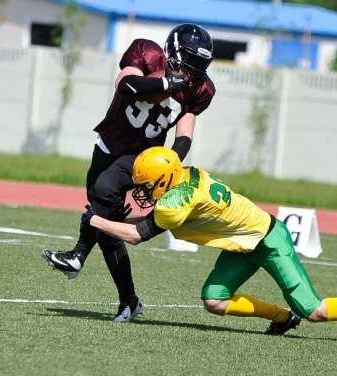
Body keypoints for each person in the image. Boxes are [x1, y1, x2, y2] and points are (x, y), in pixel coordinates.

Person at [81, 147, 337, 347]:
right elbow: (154, 217)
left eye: (146, 185)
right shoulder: (188, 175)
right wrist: (119, 218)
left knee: (315, 310)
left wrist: (96, 220)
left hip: (268, 239)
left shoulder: (174, 202)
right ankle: (281, 317)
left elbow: (137, 235)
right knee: (214, 300)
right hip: (243, 242)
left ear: (165, 179)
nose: (141, 191)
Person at [42, 24, 216, 322]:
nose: (194, 70)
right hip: (110, 143)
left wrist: (168, 167)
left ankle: (78, 255)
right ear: (175, 52)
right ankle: (129, 301)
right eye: (191, 60)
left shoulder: (200, 89)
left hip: (143, 157)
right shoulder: (147, 53)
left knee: (104, 190)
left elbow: (185, 134)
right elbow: (125, 84)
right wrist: (166, 84)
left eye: (201, 63)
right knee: (108, 224)